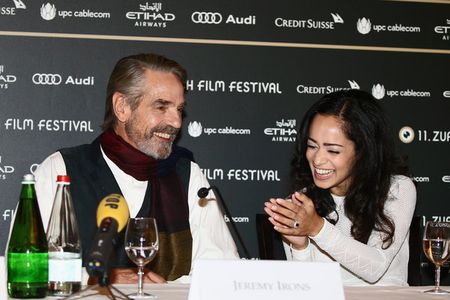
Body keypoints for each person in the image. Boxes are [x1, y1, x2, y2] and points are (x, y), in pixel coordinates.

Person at [34, 53, 239, 284]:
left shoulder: (189, 176)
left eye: (179, 109)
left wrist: (165, 291)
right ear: (122, 107)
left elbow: (221, 272)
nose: (177, 122)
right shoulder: (61, 170)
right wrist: (97, 278)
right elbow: (29, 269)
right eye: (161, 107)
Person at [264, 89, 416, 286]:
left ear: (364, 151)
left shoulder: (397, 189)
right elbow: (307, 287)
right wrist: (300, 247)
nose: (318, 159)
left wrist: (318, 228)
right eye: (312, 146)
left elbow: (375, 268)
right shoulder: (302, 202)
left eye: (333, 150)